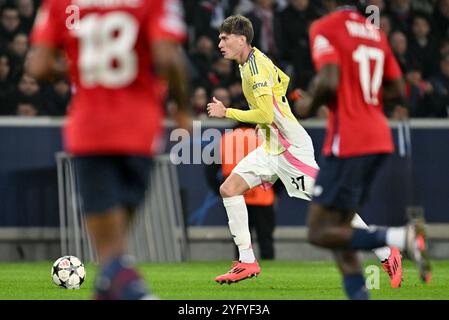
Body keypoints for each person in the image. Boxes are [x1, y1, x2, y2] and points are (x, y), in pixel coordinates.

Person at [207, 14, 401, 286]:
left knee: (330, 207)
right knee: (229, 189)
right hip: (271, 147)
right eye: (219, 38)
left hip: (290, 149)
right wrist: (283, 101)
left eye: (224, 38)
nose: (220, 43)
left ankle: (386, 250)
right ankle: (247, 261)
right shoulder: (251, 60)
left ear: (241, 39)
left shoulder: (254, 69)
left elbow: (263, 113)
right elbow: (283, 80)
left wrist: (226, 111)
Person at [27, 0, 191, 300]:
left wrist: (78, 65)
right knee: (115, 246)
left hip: (90, 130)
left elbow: (37, 67)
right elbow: (167, 58)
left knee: (110, 251)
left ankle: (130, 289)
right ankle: (123, 288)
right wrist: (181, 108)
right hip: (140, 130)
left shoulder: (60, 4)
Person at [305, 0, 431, 300]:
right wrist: (364, 96)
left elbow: (329, 79)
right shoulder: (375, 32)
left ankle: (399, 237)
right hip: (378, 137)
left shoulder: (325, 27)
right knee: (340, 232)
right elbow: (400, 91)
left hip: (349, 140)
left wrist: (308, 105)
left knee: (318, 231)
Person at [205, 122, 277, 260]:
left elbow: (210, 171)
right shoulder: (264, 138)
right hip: (263, 198)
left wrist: (221, 192)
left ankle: (242, 267)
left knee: (240, 242)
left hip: (236, 197)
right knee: (266, 241)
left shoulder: (226, 139)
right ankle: (269, 273)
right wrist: (276, 191)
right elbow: (279, 168)